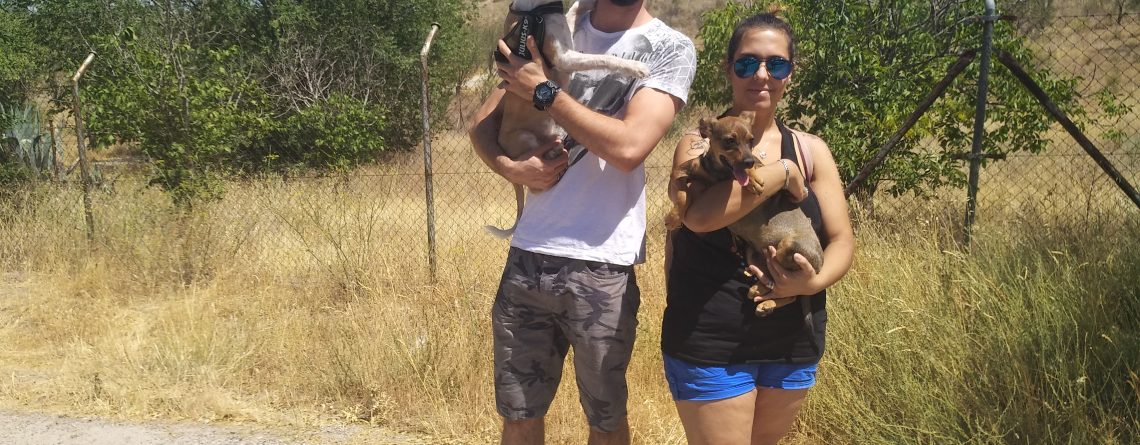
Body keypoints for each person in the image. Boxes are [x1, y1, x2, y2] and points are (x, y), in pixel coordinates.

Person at [467, 1, 696, 443]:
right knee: (519, 415)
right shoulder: (552, 22)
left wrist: (544, 90)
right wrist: (511, 168)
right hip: (529, 256)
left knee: (604, 419)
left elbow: (629, 149)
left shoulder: (669, 47)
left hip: (602, 264)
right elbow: (481, 125)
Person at [661, 10, 855, 445]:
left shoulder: (811, 150)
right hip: (710, 338)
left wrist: (809, 283)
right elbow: (699, 219)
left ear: (790, 73)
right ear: (728, 69)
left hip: (791, 342)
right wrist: (781, 173)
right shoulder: (699, 144)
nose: (762, 75)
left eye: (776, 64)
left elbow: (842, 240)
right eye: (747, 63)